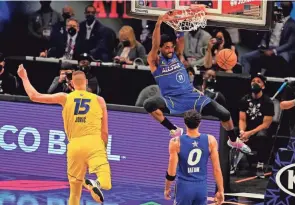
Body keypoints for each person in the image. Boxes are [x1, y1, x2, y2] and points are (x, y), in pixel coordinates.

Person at [144, 14, 251, 154]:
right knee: (149, 104)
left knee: (225, 114)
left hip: (191, 95)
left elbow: (180, 38)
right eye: (166, 48)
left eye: (171, 47)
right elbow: (155, 44)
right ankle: (174, 129)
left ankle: (233, 140)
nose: (170, 49)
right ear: (161, 48)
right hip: (172, 99)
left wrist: (180, 21)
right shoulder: (155, 61)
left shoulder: (177, 55)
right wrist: (158, 23)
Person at [17, 64, 111, 204]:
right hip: (94, 143)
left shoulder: (65, 97)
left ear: (72, 83)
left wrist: (24, 77)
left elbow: (34, 96)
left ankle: (88, 185)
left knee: (74, 193)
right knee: (106, 182)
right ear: (86, 82)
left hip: (74, 145)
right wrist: (102, 148)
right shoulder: (99, 100)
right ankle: (94, 183)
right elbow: (105, 132)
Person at [164, 110, 224, 205]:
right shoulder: (210, 140)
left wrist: (167, 188)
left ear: (184, 123)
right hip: (201, 187)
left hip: (184, 187)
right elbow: (217, 169)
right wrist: (221, 190)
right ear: (200, 122)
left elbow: (171, 172)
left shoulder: (175, 142)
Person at [236, 73, 274, 177]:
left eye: (258, 82)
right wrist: (242, 132)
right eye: (253, 81)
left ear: (263, 86)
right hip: (247, 129)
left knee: (262, 135)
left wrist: (250, 133)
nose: (255, 83)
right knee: (232, 131)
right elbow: (242, 119)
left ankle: (260, 165)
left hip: (260, 129)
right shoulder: (244, 99)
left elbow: (266, 124)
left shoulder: (268, 102)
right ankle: (233, 164)